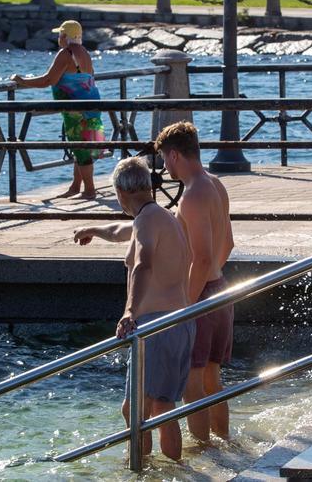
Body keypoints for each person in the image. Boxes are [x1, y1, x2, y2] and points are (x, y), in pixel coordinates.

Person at [72, 157, 195, 462]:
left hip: (157, 326)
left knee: (138, 408)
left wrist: (129, 311)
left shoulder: (148, 221)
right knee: (161, 406)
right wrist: (93, 229)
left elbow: (142, 265)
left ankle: (141, 469)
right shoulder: (161, 217)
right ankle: (169, 469)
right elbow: (119, 231)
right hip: (179, 322)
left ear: (120, 193)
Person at [155, 121, 236, 443]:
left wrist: (183, 307)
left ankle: (205, 451)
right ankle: (224, 442)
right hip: (220, 291)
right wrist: (213, 280)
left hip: (201, 296)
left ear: (174, 155)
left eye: (163, 158)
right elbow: (227, 243)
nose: (164, 166)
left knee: (192, 383)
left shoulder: (192, 195)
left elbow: (200, 258)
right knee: (213, 379)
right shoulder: (215, 184)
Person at [11, 20, 106, 199]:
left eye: (59, 35)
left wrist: (22, 81)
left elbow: (48, 80)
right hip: (91, 104)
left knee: (80, 147)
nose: (57, 38)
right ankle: (76, 186)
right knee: (82, 146)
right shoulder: (84, 52)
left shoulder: (65, 53)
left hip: (76, 109)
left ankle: (89, 191)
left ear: (64, 36)